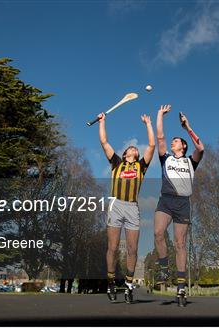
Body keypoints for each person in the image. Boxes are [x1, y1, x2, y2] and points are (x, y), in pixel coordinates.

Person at [97, 112, 155, 303]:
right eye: (130, 148)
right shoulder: (116, 163)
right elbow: (104, 142)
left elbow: (152, 146)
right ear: (124, 154)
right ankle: (111, 281)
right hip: (116, 205)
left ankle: (129, 285)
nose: (133, 148)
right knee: (112, 247)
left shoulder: (141, 166)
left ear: (137, 155)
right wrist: (102, 121)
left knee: (132, 249)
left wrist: (148, 123)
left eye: (135, 149)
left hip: (132, 208)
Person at [154, 104, 204, 307]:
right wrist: (160, 115)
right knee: (158, 233)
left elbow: (200, 148)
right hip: (165, 200)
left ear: (183, 146)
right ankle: (164, 267)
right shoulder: (165, 158)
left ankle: (181, 285)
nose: (173, 142)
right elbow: (160, 138)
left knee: (180, 243)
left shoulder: (191, 162)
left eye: (176, 141)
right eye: (172, 141)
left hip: (183, 203)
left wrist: (187, 128)